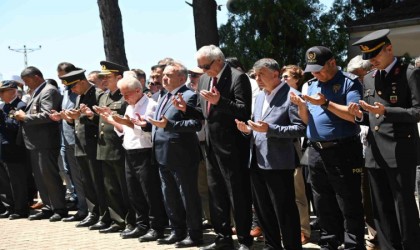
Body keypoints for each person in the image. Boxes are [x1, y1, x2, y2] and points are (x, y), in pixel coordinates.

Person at [174, 45, 253, 250]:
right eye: (200, 66)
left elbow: (244, 111)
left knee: (237, 194)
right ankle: (223, 237)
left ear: (218, 61)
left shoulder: (237, 77)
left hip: (233, 146)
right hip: (211, 146)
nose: (203, 70)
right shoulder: (204, 79)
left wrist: (220, 101)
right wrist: (186, 109)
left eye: (206, 66)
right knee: (216, 193)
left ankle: (244, 239)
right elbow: (204, 112)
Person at [289, 46, 366, 249]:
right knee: (322, 202)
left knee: (348, 201)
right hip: (316, 150)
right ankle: (330, 241)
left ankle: (352, 244)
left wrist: (325, 104)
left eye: (319, 69)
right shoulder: (311, 85)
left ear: (332, 62)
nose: (315, 74)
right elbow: (307, 121)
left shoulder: (348, 82)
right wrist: (302, 106)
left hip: (343, 149)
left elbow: (353, 116)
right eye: (312, 70)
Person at [350, 29, 420, 250]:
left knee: (403, 207)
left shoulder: (409, 73)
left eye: (375, 55)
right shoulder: (369, 78)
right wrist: (359, 115)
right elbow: (371, 114)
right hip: (375, 152)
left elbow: (417, 112)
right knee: (381, 208)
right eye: (368, 57)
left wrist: (387, 111)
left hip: (400, 150)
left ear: (389, 48)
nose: (372, 61)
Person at [236, 58, 306, 250]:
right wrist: (247, 130)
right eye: (255, 75)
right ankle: (272, 246)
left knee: (284, 211)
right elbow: (260, 126)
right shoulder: (259, 97)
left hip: (279, 162)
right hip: (256, 159)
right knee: (263, 209)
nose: (257, 79)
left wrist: (270, 129)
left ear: (276, 74)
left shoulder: (292, 95)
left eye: (261, 75)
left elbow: (300, 129)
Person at [148, 61, 203, 248]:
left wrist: (169, 125)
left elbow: (196, 124)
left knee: (187, 196)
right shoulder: (164, 95)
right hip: (162, 154)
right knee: (169, 195)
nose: (164, 77)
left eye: (169, 75)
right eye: (163, 74)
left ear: (182, 77)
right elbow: (160, 123)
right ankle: (177, 231)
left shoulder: (189, 96)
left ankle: (194, 234)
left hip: (182, 156)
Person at [107, 76, 168, 240]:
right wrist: (112, 121)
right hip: (130, 151)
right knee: (134, 192)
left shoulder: (151, 106)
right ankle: (142, 225)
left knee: (150, 192)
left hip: (145, 152)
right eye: (122, 94)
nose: (125, 98)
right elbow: (126, 131)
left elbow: (152, 132)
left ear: (138, 90)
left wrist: (130, 125)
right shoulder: (129, 107)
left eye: (127, 94)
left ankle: (157, 226)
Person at [15, 66, 67, 222]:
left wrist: (25, 117)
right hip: (36, 143)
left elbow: (47, 115)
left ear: (36, 77)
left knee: (49, 176)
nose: (25, 85)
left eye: (27, 81)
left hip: (46, 142)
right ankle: (48, 207)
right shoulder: (37, 92)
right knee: (40, 177)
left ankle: (59, 208)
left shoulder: (48, 91)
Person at [59, 69, 109, 229]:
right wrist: (70, 119)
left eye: (73, 87)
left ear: (81, 81)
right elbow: (79, 121)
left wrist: (85, 117)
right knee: (87, 182)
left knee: (97, 183)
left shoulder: (98, 94)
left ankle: (104, 215)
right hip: (81, 144)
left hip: (94, 145)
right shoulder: (80, 96)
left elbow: (101, 120)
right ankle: (93, 213)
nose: (72, 91)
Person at [91, 61, 134, 234]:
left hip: (120, 147)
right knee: (110, 187)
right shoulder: (103, 96)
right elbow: (101, 122)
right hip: (104, 147)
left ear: (119, 77)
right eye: (102, 77)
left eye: (107, 77)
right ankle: (117, 220)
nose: (103, 80)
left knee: (126, 188)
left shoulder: (125, 97)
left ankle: (131, 221)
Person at [346, 55, 378, 250]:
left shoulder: (374, 88)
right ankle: (373, 234)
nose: (356, 80)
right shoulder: (353, 90)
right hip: (359, 151)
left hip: (378, 151)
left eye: (359, 76)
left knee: (378, 197)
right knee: (364, 197)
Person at [52, 62, 88, 221]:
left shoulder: (78, 91)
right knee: (72, 176)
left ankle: (86, 210)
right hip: (66, 139)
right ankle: (82, 208)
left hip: (77, 140)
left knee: (81, 177)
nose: (62, 82)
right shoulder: (66, 91)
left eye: (64, 78)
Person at [281, 64, 311, 245]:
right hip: (276, 153)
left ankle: (304, 231)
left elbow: (301, 127)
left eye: (287, 77)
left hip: (293, 150)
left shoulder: (297, 96)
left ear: (297, 79)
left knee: (298, 194)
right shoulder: (276, 95)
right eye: (282, 77)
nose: (284, 80)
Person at [0, 80, 29, 220]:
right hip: (3, 148)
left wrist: (2, 118)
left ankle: (20, 208)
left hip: (14, 149)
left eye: (2, 92)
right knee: (4, 181)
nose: (0, 95)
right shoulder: (4, 107)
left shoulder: (20, 105)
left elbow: (16, 126)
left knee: (17, 181)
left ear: (13, 91)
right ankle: (9, 207)